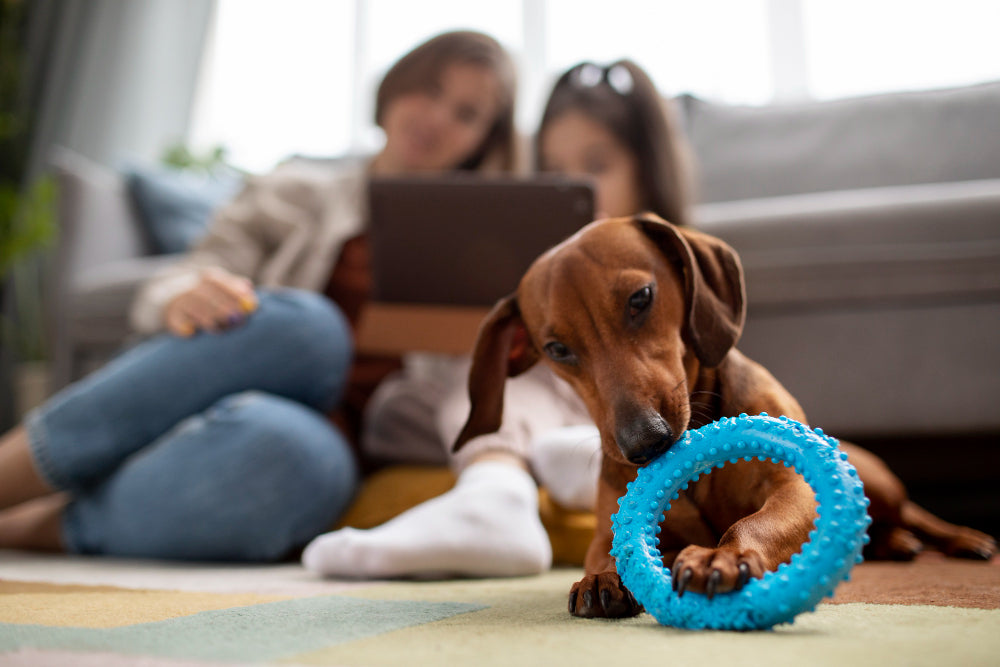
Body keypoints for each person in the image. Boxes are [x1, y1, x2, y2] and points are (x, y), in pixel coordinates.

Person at [0, 30, 519, 561]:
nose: (437, 117)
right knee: (310, 331)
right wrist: (185, 293)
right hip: (263, 367)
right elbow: (195, 269)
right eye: (430, 90)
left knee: (293, 458)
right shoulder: (292, 190)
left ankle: (39, 528)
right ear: (395, 87)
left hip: (338, 442)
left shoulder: (485, 248)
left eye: (466, 113)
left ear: (484, 140)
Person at [301, 58, 694, 578]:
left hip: (614, 412)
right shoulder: (544, 271)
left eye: (596, 168)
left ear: (647, 172)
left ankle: (498, 491)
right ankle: (552, 465)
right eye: (556, 174)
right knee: (402, 407)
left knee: (505, 383)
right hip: (522, 409)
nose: (579, 190)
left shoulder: (667, 260)